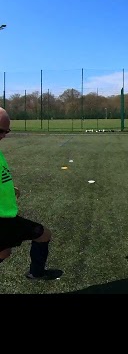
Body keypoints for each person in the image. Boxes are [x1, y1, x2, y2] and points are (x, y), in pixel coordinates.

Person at [0, 107, 62, 280]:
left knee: (4, 252)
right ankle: (37, 273)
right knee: (43, 235)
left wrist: (8, 191)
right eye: (0, 131)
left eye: (7, 131)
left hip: (6, 216)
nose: (4, 135)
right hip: (2, 219)